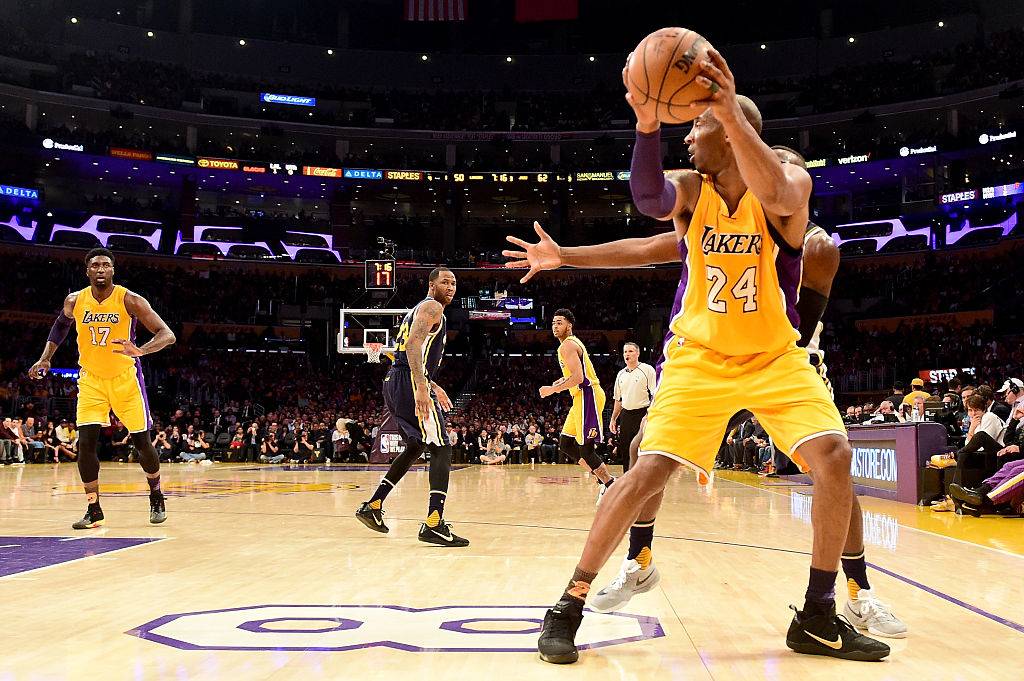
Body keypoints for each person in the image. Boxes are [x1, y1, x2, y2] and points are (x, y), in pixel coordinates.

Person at [512, 49, 888, 662]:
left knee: (835, 457)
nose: (687, 136)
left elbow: (768, 184)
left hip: (773, 357)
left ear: (728, 125)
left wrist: (729, 111)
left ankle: (820, 613)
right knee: (645, 470)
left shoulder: (790, 187)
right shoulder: (694, 191)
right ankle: (571, 601)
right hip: (699, 358)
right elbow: (647, 200)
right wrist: (645, 126)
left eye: (697, 125)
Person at [28, 248, 175, 528]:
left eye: (105, 265)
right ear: (87, 271)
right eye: (95, 265)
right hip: (91, 380)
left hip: (125, 379)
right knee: (85, 445)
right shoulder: (75, 300)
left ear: (112, 271)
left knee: (142, 443)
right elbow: (60, 326)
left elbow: (167, 334)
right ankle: (93, 509)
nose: (100, 269)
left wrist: (140, 350)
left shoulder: (129, 299)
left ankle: (156, 494)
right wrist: (45, 357)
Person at [355, 267, 469, 547]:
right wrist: (421, 385)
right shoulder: (432, 307)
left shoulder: (420, 309)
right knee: (442, 447)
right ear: (431, 285)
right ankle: (433, 523)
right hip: (407, 380)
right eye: (445, 282)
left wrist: (430, 383)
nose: (451, 287)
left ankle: (373, 506)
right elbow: (413, 345)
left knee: (416, 446)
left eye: (454, 283)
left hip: (394, 380)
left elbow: (406, 350)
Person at [539, 309, 616, 503]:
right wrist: (561, 381)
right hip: (580, 397)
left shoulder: (568, 345)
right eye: (553, 323)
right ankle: (603, 481)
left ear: (569, 325)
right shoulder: (569, 345)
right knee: (565, 443)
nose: (555, 326)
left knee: (586, 450)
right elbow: (576, 373)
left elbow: (580, 378)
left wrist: (552, 390)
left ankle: (611, 485)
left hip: (587, 395)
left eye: (559, 322)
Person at [609, 342, 657, 472]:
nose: (627, 354)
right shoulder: (620, 374)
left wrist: (649, 415)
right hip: (626, 415)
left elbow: (655, 395)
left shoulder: (647, 370)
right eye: (625, 352)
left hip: (643, 413)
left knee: (642, 448)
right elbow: (618, 399)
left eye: (630, 351)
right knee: (625, 448)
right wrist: (613, 419)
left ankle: (644, 478)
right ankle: (628, 477)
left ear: (638, 353)